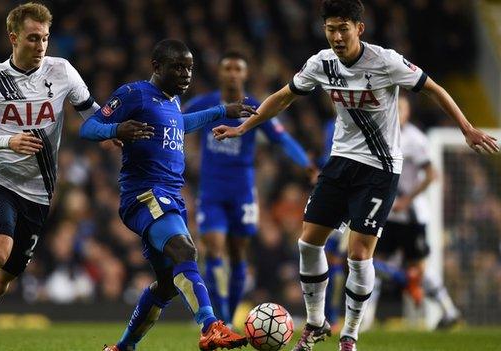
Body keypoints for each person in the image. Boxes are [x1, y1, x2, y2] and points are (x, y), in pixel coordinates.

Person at [212, 1, 499, 350]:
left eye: (343, 28)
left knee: (358, 255)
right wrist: (244, 127)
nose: (336, 36)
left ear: (359, 28)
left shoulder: (386, 61)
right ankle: (316, 322)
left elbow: (434, 88)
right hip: (340, 162)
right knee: (308, 243)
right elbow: (283, 98)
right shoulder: (321, 63)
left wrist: (467, 128)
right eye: (330, 29)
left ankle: (350, 333)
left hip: (379, 170)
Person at [0, 3, 152, 351]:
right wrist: (8, 140)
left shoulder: (62, 72)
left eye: (44, 38)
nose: (41, 45)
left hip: (40, 193)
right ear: (13, 38)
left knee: (0, 284)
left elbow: (90, 113)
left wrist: (111, 132)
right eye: (32, 38)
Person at [80, 39, 256, 351]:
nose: (186, 74)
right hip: (145, 193)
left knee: (166, 285)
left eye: (189, 68)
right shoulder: (134, 94)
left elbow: (180, 124)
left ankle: (123, 347)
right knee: (185, 251)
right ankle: (211, 326)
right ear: (157, 67)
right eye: (177, 67)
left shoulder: (171, 101)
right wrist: (115, 130)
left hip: (170, 196)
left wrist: (220, 111)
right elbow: (89, 128)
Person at [183, 51, 312, 325]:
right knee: (214, 250)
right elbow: (172, 122)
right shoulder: (203, 104)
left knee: (238, 252)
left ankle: (229, 315)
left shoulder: (256, 106)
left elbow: (282, 139)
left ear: (245, 73)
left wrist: (307, 165)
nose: (232, 73)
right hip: (211, 192)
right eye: (227, 68)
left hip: (242, 192)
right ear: (219, 73)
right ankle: (221, 321)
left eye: (237, 69)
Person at [363, 94, 461, 330]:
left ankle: (448, 310)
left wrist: (407, 199)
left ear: (408, 113)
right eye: (394, 108)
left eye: (402, 109)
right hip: (387, 213)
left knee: (418, 267)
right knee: (374, 263)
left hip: (412, 216)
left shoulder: (415, 140)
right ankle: (366, 319)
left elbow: (431, 175)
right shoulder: (380, 136)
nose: (397, 113)